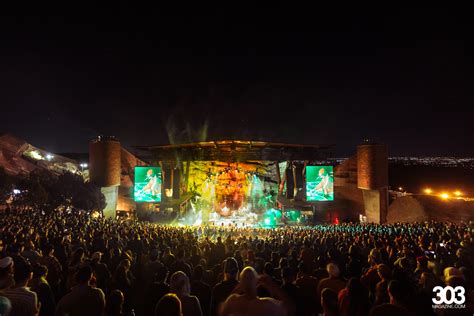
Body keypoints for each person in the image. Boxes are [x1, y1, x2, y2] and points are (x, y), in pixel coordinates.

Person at [220, 266, 286, 316]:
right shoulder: (267, 305)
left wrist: (238, 288)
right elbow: (290, 308)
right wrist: (273, 286)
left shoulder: (233, 301)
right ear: (257, 282)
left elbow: (222, 311)